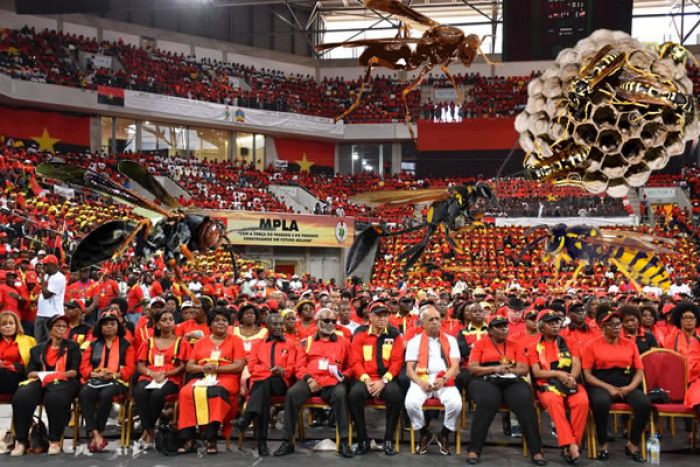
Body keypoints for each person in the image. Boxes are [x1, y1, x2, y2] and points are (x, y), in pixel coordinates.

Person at [274, 307, 353, 458]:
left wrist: (345, 375)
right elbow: (299, 367)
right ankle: (287, 441)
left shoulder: (344, 342)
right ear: (317, 323)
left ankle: (343, 441)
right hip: (310, 380)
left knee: (341, 394)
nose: (331, 324)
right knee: (292, 393)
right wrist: (309, 380)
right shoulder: (306, 342)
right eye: (326, 321)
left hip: (332, 381)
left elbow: (351, 366)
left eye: (333, 321)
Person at [466, 314, 545, 465]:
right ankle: (474, 449)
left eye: (505, 326)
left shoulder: (515, 344)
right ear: (490, 330)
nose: (504, 329)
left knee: (525, 402)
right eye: (499, 326)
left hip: (511, 379)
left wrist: (510, 370)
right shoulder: (480, 344)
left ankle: (536, 450)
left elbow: (524, 369)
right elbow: (473, 368)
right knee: (487, 402)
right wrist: (494, 369)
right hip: (486, 379)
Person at [582, 305, 650, 462]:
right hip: (600, 382)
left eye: (618, 323)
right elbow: (587, 374)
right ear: (602, 326)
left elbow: (639, 371)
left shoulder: (630, 344)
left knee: (644, 404)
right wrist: (608, 388)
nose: (616, 327)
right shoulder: (591, 345)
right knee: (601, 403)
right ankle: (603, 445)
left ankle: (632, 444)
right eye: (611, 324)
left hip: (625, 382)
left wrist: (629, 388)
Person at [178, 307, 245, 455]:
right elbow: (190, 366)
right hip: (203, 377)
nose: (220, 323)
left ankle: (211, 438)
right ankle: (187, 438)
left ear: (229, 323)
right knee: (185, 393)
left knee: (215, 393)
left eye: (224, 320)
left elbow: (239, 365)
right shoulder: (201, 342)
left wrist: (216, 369)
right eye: (216, 320)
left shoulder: (236, 340)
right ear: (210, 324)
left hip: (226, 379)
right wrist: (203, 368)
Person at [11, 315, 81, 456]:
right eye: (58, 326)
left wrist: (57, 375)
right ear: (50, 329)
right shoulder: (37, 349)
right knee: (22, 395)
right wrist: (41, 375)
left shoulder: (73, 347)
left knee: (55, 397)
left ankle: (54, 440)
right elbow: (30, 372)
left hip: (64, 380)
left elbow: (74, 371)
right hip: (40, 379)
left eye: (64, 327)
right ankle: (21, 441)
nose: (61, 329)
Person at [528, 309, 589, 464]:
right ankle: (572, 444)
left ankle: (569, 446)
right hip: (547, 384)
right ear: (541, 327)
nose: (555, 325)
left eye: (557, 322)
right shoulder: (534, 346)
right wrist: (558, 374)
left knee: (582, 402)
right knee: (555, 402)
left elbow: (576, 364)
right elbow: (537, 372)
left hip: (570, 382)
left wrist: (571, 377)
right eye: (550, 323)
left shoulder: (570, 342)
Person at [234, 313, 297, 456]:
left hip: (280, 382)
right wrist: (269, 371)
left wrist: (283, 371)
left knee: (262, 386)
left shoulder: (291, 344)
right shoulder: (258, 344)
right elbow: (252, 367)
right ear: (267, 326)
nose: (279, 327)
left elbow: (292, 367)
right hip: (262, 381)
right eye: (275, 324)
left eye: (281, 324)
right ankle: (261, 444)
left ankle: (248, 419)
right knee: (263, 395)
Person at [348, 301, 405, 456]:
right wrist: (366, 380)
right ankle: (362, 439)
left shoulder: (394, 334)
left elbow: (397, 362)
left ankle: (388, 439)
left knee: (395, 395)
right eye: (379, 315)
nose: (383, 318)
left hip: (387, 378)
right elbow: (356, 362)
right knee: (354, 396)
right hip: (364, 378)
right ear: (370, 317)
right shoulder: (360, 335)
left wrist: (384, 381)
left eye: (385, 315)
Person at [405, 305, 462, 456]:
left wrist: (443, 379)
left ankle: (444, 434)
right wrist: (420, 382)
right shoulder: (414, 342)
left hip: (444, 378)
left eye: (438, 318)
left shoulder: (451, 340)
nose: (436, 322)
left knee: (456, 404)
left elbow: (455, 366)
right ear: (423, 323)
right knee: (410, 404)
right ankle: (424, 433)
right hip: (421, 379)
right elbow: (409, 370)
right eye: (431, 319)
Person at [79, 310, 136, 452]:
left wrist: (114, 375)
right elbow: (84, 367)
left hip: (117, 381)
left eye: (112, 324)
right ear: (100, 328)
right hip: (95, 380)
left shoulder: (126, 345)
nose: (109, 327)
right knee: (85, 393)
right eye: (106, 325)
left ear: (118, 326)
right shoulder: (92, 345)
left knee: (106, 394)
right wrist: (93, 373)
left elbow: (130, 368)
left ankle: (98, 432)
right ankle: (96, 434)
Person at [133, 308, 190, 447]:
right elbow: (140, 365)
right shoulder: (148, 342)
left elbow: (183, 366)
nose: (168, 322)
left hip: (171, 378)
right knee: (139, 392)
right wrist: (151, 374)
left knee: (157, 395)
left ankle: (148, 429)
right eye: (164, 320)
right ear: (157, 324)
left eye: (171, 319)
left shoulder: (181, 342)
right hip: (150, 376)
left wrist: (165, 374)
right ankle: (150, 430)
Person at [0, 310, 36, 396]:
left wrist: (7, 365)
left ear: (16, 326)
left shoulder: (28, 340)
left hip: (18, 375)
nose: (8, 326)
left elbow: (28, 365)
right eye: (4, 324)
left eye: (11, 323)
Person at [455, 302, 488, 394]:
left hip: (489, 367)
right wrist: (485, 349)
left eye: (480, 311)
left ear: (484, 313)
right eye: (474, 311)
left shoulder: (492, 330)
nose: (478, 313)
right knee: (459, 377)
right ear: (469, 315)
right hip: (468, 368)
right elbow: (463, 351)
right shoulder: (462, 333)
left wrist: (473, 347)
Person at [35, 255, 67, 343]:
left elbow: (46, 295)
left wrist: (42, 279)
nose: (43, 267)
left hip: (53, 315)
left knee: (51, 342)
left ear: (53, 265)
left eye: (46, 265)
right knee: (38, 341)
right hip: (41, 313)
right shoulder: (47, 275)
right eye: (43, 264)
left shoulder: (59, 277)